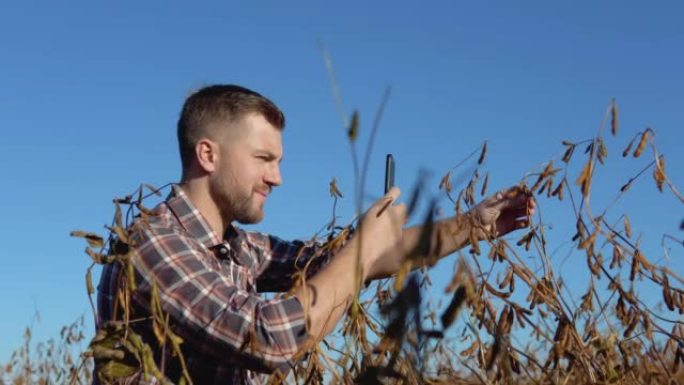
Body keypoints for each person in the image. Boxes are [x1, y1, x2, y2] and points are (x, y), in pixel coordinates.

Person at [95, 84, 534, 384]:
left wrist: (473, 225)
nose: (277, 178)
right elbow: (268, 338)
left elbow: (343, 259)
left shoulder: (240, 248)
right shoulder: (151, 245)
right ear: (208, 154)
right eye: (264, 158)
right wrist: (362, 251)